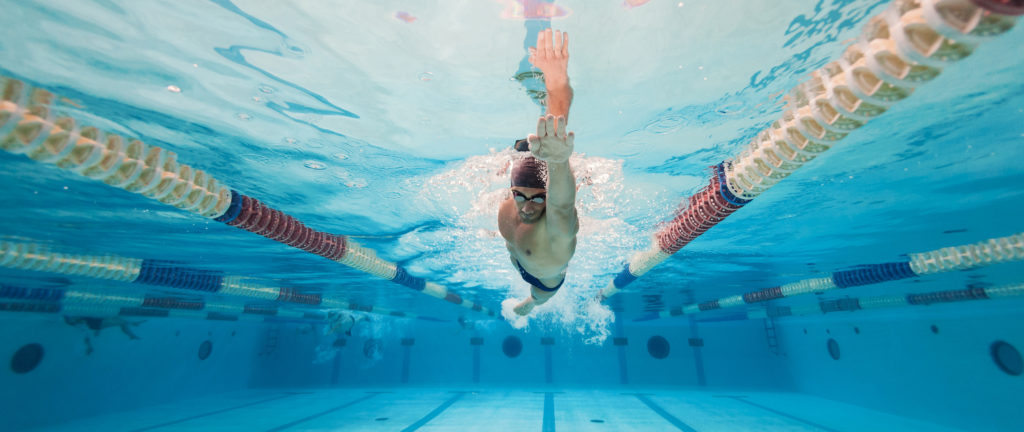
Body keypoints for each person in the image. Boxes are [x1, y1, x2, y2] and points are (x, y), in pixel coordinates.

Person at [499, 29, 578, 316]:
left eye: (538, 199)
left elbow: (563, 204)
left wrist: (557, 81)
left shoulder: (557, 232)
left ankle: (531, 306)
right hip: (520, 258)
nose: (527, 206)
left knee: (538, 298)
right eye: (519, 195)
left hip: (544, 281)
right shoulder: (513, 199)